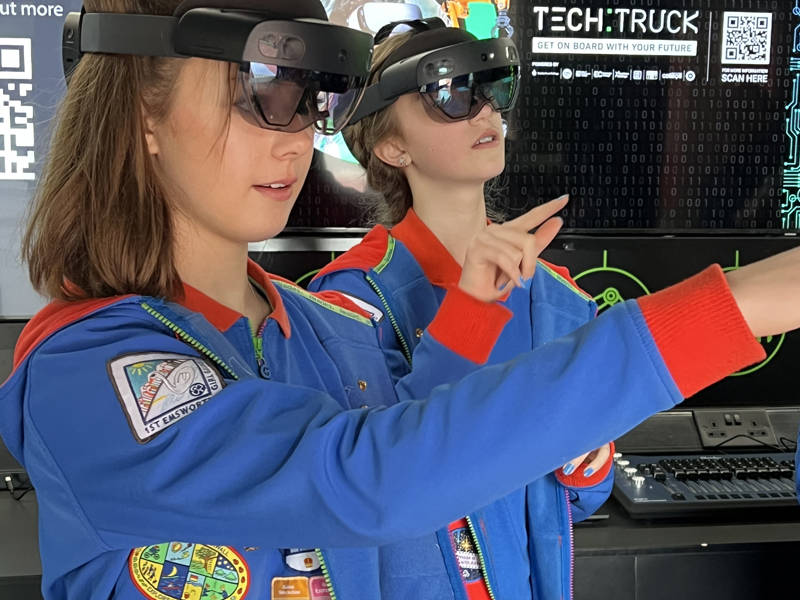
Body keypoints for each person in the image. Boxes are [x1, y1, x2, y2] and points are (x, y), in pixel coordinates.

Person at [1, 2, 799, 600]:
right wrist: (735, 306)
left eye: (312, 99)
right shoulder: (87, 372)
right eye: (266, 90)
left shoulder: (324, 327)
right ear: (143, 110)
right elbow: (369, 480)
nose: (295, 134)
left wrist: (475, 314)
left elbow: (430, 468)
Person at [308, 21, 613, 599]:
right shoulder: (350, 301)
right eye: (450, 95)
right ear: (391, 146)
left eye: (493, 89)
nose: (485, 113)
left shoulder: (554, 295)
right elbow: (381, 480)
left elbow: (578, 496)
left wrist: (585, 447)